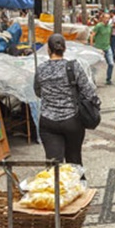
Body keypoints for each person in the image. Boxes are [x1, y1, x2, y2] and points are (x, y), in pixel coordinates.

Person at [34, 34, 99, 166]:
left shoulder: (40, 69)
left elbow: (38, 92)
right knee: (74, 161)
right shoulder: (73, 67)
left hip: (48, 122)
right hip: (72, 121)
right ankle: (78, 185)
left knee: (54, 165)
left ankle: (57, 186)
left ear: (48, 49)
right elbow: (88, 92)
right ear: (64, 49)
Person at [89, 13, 114, 85]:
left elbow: (109, 35)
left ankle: (108, 79)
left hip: (107, 47)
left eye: (108, 18)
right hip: (99, 48)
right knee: (95, 66)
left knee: (111, 63)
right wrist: (92, 46)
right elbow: (92, 35)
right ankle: (93, 79)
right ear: (102, 18)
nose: (107, 20)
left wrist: (109, 43)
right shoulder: (99, 26)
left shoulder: (109, 26)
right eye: (106, 18)